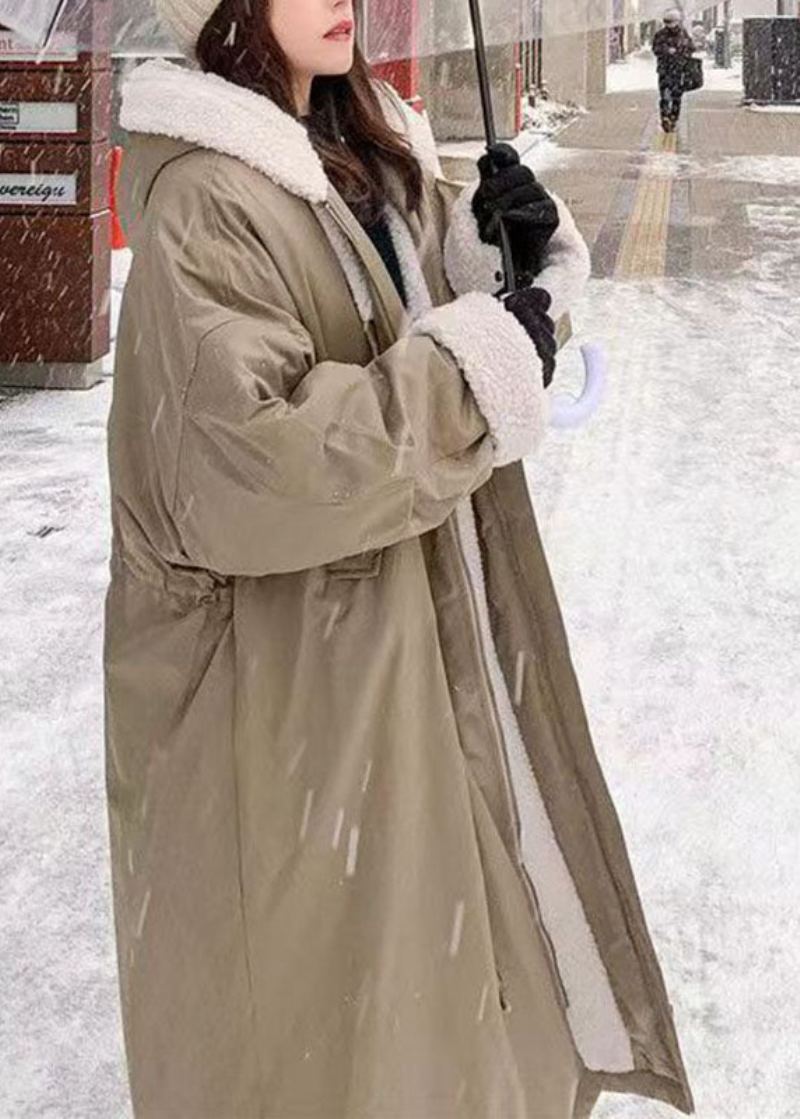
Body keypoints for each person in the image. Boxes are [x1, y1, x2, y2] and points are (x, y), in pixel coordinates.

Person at [104, 0, 694, 1115]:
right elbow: (256, 466)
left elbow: (403, 325)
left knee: (437, 992)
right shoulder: (206, 194)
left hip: (400, 649)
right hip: (287, 695)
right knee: (325, 1031)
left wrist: (499, 260)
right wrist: (469, 371)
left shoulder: (362, 144)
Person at [653, 8, 695, 132]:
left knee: (676, 96)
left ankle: (672, 117)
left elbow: (691, 48)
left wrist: (680, 53)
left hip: (677, 70)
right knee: (666, 95)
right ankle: (666, 117)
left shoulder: (683, 34)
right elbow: (656, 49)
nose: (669, 25)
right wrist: (667, 51)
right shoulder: (661, 34)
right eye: (667, 22)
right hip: (666, 70)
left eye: (671, 22)